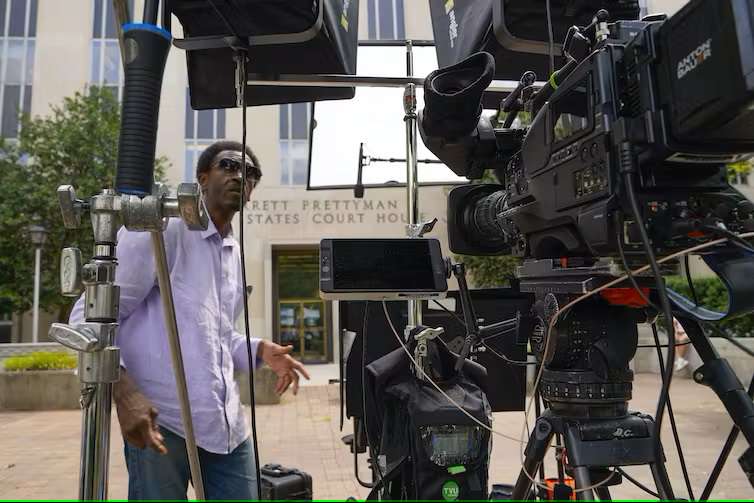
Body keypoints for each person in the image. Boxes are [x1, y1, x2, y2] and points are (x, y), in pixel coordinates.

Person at [70, 140, 310, 500]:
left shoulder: (232, 251)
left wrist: (260, 350)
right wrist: (125, 393)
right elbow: (88, 319)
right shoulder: (162, 228)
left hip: (225, 428)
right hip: (162, 421)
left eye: (250, 173)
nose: (240, 176)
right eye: (228, 166)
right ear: (202, 178)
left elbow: (216, 336)